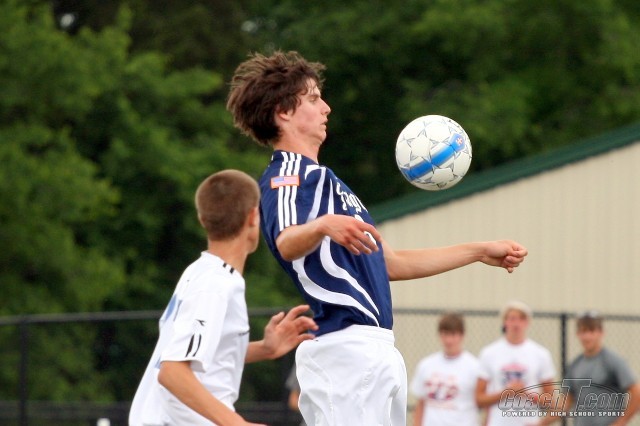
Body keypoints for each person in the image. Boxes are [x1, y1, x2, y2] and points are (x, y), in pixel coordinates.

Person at [226, 50, 528, 426]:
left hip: (376, 346)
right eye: (314, 98)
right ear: (283, 112)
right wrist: (322, 226)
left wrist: (479, 250)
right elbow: (287, 241)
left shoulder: (332, 184)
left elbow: (390, 263)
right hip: (344, 350)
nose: (326, 108)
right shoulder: (287, 175)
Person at [129, 170, 318, 426]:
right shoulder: (215, 285)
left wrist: (264, 349)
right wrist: (237, 423)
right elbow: (172, 372)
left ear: (202, 219)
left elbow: (199, 355)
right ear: (253, 217)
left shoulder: (200, 272)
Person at [542, 310, 640, 426]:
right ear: (577, 334)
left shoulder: (613, 361)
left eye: (591, 331)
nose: (587, 336)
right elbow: (565, 403)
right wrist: (541, 423)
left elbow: (636, 393)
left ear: (601, 333)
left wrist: (621, 422)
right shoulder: (575, 365)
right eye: (583, 331)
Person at [476, 300, 556, 425]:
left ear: (527, 323)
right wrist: (506, 393)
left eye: (521, 319)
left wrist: (525, 393)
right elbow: (479, 399)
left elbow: (550, 400)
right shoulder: (489, 353)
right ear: (505, 322)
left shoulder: (541, 354)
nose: (516, 324)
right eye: (512, 319)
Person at [409, 313, 481, 426]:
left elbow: (482, 402)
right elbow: (421, 404)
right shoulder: (426, 365)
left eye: (453, 334)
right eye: (445, 334)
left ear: (462, 335)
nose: (448, 340)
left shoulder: (475, 367)